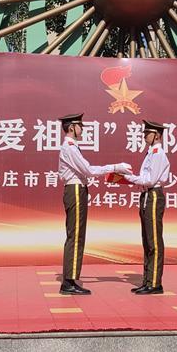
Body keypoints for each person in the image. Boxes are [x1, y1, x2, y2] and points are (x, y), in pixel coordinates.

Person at [58, 113, 131, 295]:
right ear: (72, 127)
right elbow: (88, 170)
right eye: (80, 126)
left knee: (77, 234)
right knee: (76, 235)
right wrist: (115, 167)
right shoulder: (69, 147)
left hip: (78, 189)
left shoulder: (72, 146)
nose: (82, 130)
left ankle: (71, 279)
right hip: (75, 190)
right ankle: (68, 282)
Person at [127, 120, 171, 295]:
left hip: (153, 195)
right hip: (146, 195)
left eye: (148, 133)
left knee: (154, 241)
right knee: (147, 240)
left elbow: (150, 179)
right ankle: (147, 280)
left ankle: (155, 283)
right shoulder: (150, 153)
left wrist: (128, 178)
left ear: (157, 135)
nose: (145, 135)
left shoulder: (158, 153)